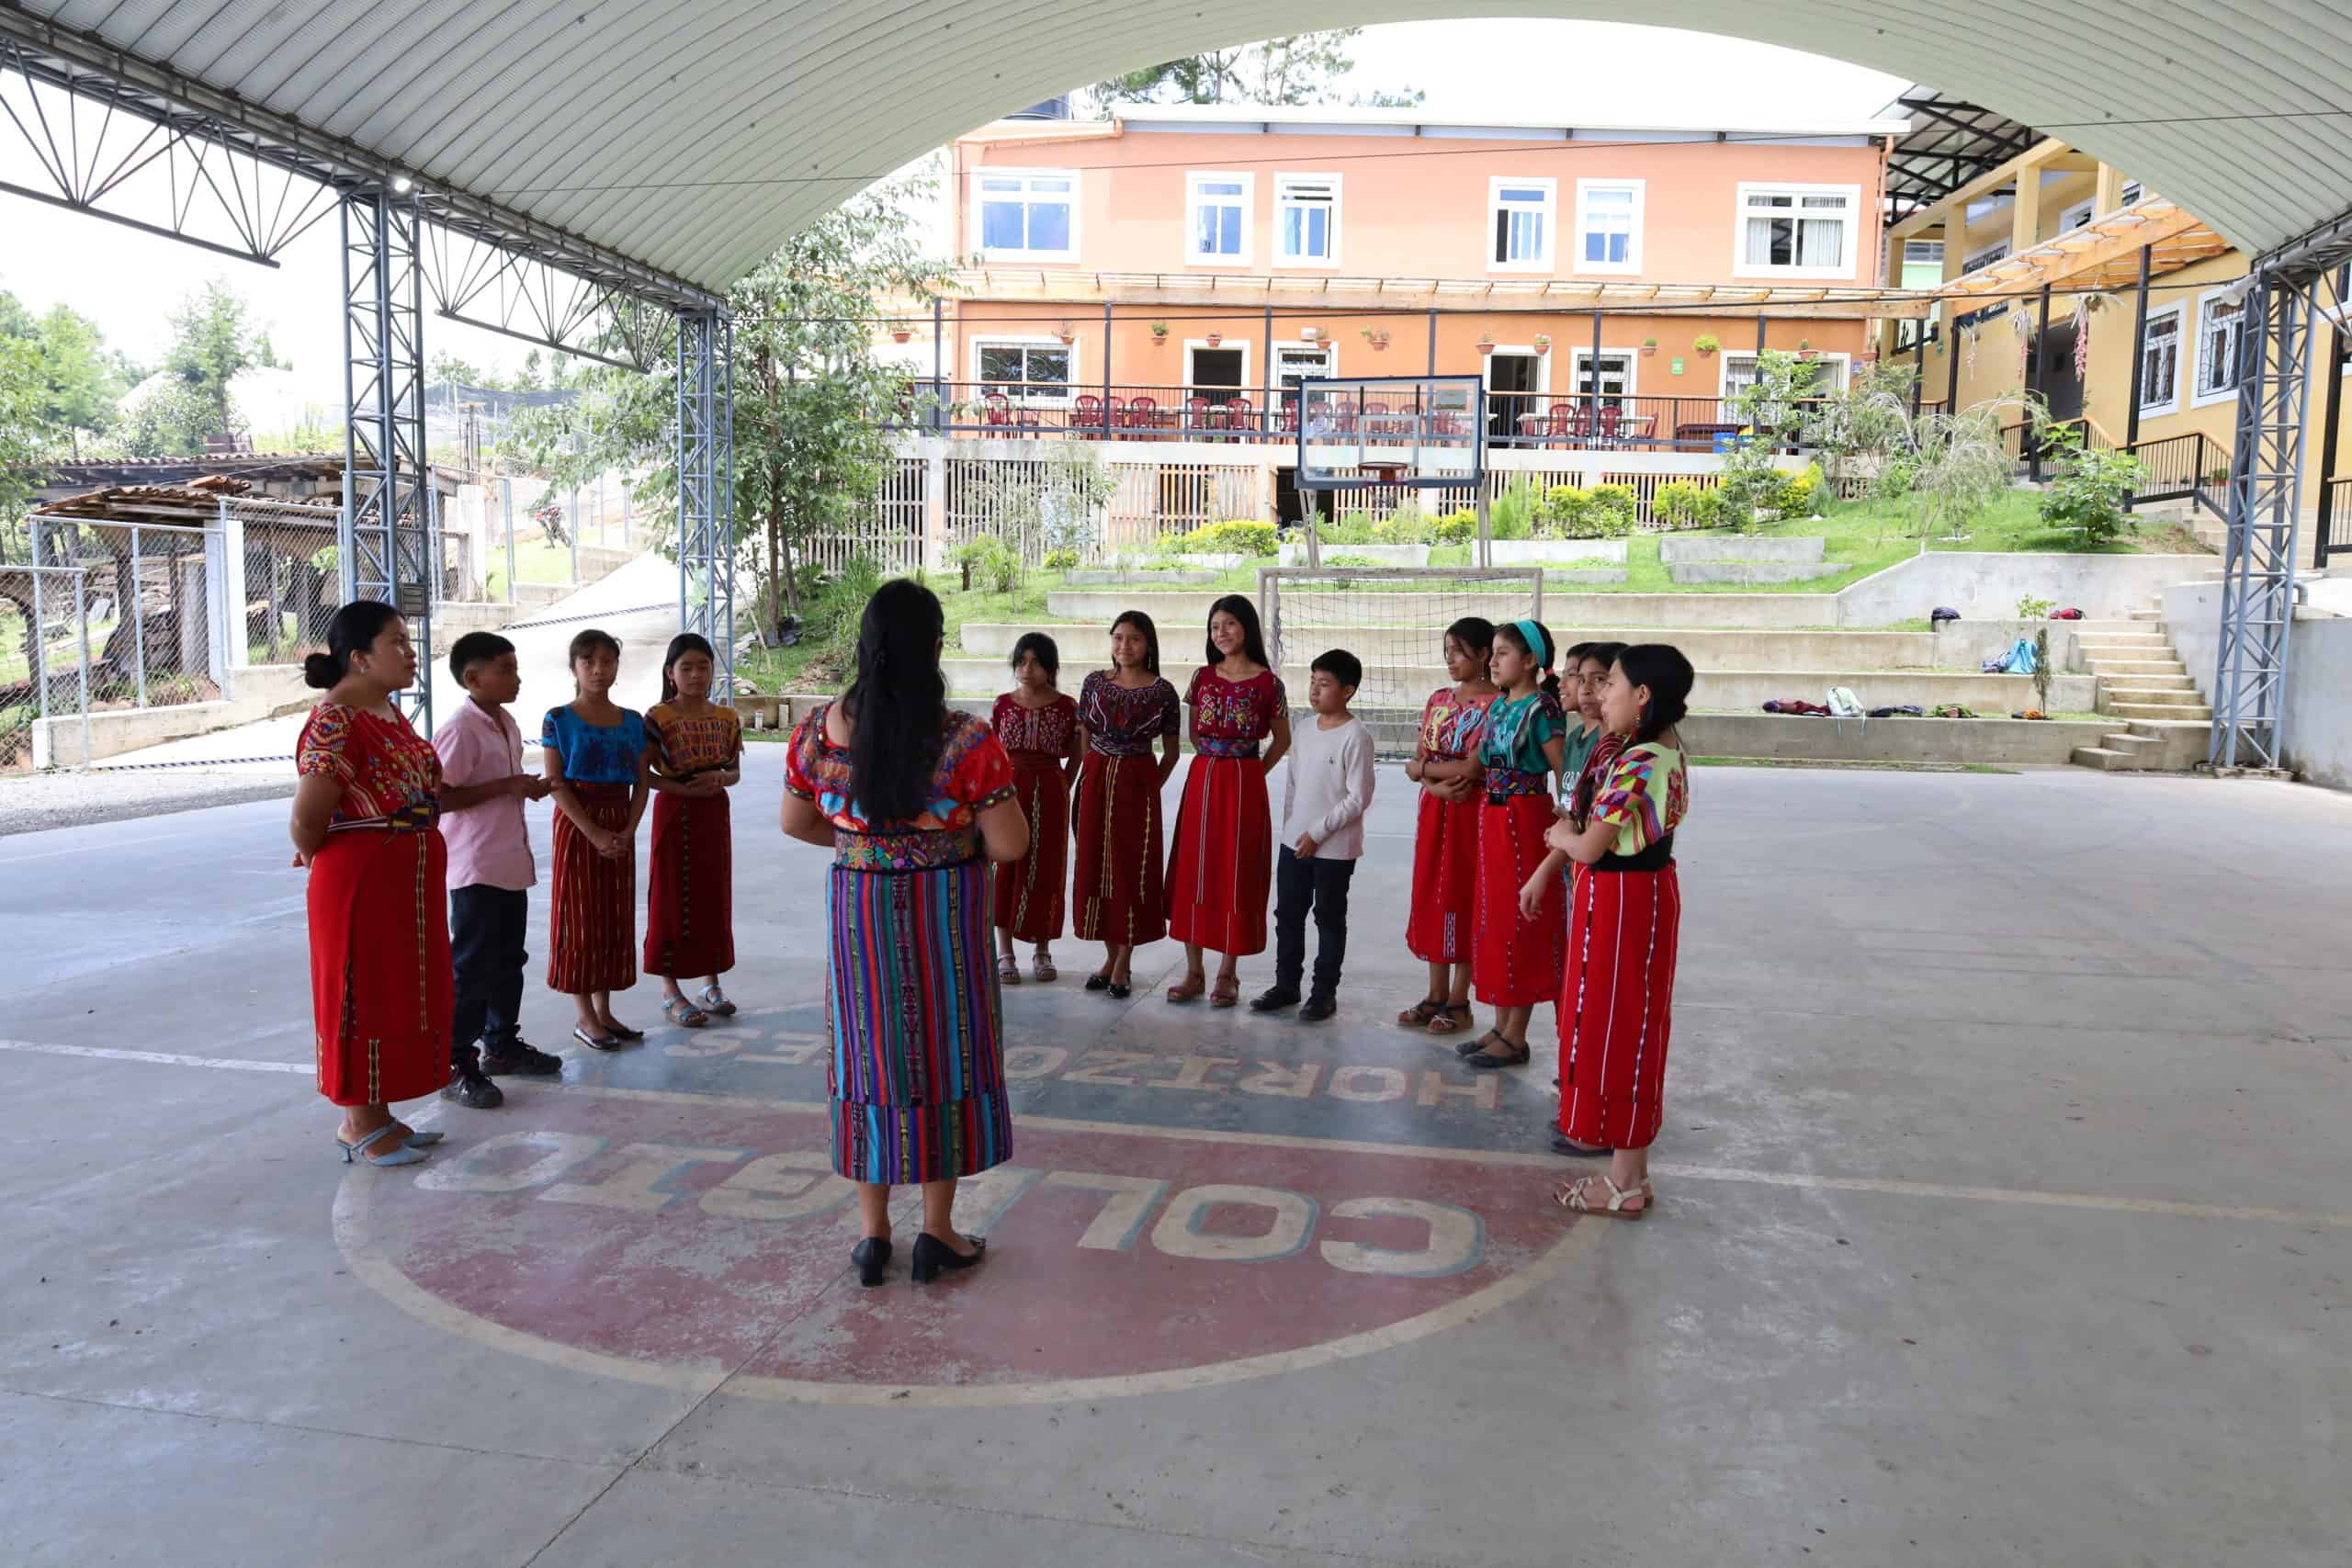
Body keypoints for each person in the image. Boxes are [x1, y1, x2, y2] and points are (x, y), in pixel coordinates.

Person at [781, 579, 1029, 1287]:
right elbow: (1009, 843)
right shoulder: (964, 740)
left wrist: (869, 844)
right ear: (935, 646)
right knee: (941, 1055)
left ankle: (871, 1235)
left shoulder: (815, 731)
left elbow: (797, 822)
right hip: (940, 914)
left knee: (868, 1058)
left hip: (858, 912)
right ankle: (939, 1232)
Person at [288, 601, 450, 1168]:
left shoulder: (386, 711)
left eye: (409, 641)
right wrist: (333, 867)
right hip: (360, 878)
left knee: (393, 991)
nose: (410, 653)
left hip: (404, 876)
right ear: (359, 657)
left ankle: (379, 1114)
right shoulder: (335, 719)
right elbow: (308, 819)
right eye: (397, 643)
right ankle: (357, 1121)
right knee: (358, 992)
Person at [1546, 644, 1694, 1218]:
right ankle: (1629, 1174)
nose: (1601, 694)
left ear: (1642, 696)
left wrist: (1560, 839)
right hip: (1616, 896)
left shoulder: (1643, 759)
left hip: (1628, 901)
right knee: (1617, 1023)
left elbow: (1586, 842)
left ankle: (1626, 1180)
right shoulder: (1642, 749)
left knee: (1623, 1027)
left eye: (1612, 684)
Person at [433, 631, 562, 1111]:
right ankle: (454, 1063)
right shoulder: (460, 729)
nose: (516, 677)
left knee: (509, 962)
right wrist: (507, 784)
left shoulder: (504, 721)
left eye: (515, 667)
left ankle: (501, 1045)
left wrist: (520, 787)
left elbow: (494, 788)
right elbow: (439, 796)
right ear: (473, 677)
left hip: (508, 862)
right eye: (505, 669)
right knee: (471, 968)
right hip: (474, 866)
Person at [1166, 593, 1292, 1008]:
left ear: (1247, 628)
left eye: (1230, 625)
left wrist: (1251, 772)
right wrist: (1216, 763)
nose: (1221, 633)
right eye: (1215, 626)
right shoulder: (1202, 678)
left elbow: (1282, 740)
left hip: (1243, 782)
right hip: (1203, 778)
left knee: (1236, 872)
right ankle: (1194, 971)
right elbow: (1195, 735)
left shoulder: (1269, 684)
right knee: (1195, 868)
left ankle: (1228, 972)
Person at [1463, 618, 1568, 1070]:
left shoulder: (1542, 710)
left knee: (1519, 924)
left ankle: (1516, 1034)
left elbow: (1563, 773)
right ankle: (1501, 1023)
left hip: (1526, 818)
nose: (1493, 660)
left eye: (1503, 653)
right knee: (1494, 919)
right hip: (1493, 813)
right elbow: (1479, 764)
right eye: (1492, 652)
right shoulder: (1501, 705)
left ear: (1530, 661)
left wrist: (1566, 822)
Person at [541, 628, 650, 1052]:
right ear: (574, 668)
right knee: (580, 917)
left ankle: (605, 1012)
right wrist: (594, 830)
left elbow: (641, 782)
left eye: (607, 661)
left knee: (613, 915)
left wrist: (627, 829)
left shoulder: (632, 721)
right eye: (589, 661)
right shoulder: (559, 718)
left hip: (619, 819)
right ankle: (584, 1016)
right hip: (578, 822)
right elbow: (555, 781)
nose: (599, 669)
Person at [1251, 649, 1374, 1021]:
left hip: (1334, 849)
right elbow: (1293, 786)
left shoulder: (1356, 736)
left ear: (1348, 690)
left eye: (1325, 684)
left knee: (1328, 918)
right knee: (1288, 914)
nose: (1315, 691)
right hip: (1295, 844)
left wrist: (1318, 833)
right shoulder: (1303, 731)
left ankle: (1323, 993)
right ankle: (1286, 984)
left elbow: (1359, 797)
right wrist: (1292, 832)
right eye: (1312, 682)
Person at [1071, 612, 1182, 998]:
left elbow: (1171, 753)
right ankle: (1108, 956)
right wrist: (1091, 774)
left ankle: (1123, 963)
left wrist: (1149, 786)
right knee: (1096, 867)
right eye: (1117, 638)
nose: (1124, 646)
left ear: (1148, 644)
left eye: (1133, 639)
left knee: (1130, 869)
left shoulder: (1163, 692)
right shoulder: (1094, 683)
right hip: (1097, 780)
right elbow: (1085, 734)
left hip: (1138, 782)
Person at [1400, 616, 1498, 1037]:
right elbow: (1419, 756)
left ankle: (1460, 1000)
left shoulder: (1497, 704)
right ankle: (1435, 993)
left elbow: (1475, 767)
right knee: (1432, 893)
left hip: (1472, 811)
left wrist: (1423, 770)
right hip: (1437, 806)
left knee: (1465, 894)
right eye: (1447, 652)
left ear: (1483, 655)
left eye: (1459, 651)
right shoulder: (1439, 698)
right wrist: (1430, 782)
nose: (1451, 660)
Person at [643, 633, 742, 1028]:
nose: (696, 675)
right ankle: (671, 991)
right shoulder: (657, 719)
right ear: (671, 673)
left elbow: (734, 772)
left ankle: (711, 982)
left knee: (712, 895)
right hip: (675, 810)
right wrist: (682, 788)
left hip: (714, 812)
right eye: (686, 667)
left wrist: (719, 777)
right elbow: (645, 776)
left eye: (703, 666)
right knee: (670, 896)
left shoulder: (727, 718)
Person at [989, 632, 1080, 984]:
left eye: (1037, 662)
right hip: (1008, 791)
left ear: (1052, 668)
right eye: (1022, 661)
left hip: (1051, 791)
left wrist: (1061, 784)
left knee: (1047, 867)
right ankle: (1005, 952)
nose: (1028, 669)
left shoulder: (1067, 707)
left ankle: (1043, 950)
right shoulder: (1002, 704)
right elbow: (994, 753)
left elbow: (1077, 752)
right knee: (1005, 866)